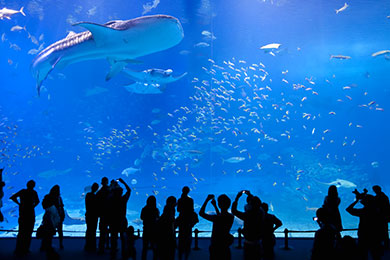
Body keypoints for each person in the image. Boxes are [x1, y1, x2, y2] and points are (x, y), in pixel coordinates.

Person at [346, 189, 382, 260]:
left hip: (363, 235)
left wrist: (356, 201)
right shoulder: (376, 210)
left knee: (363, 254)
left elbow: (348, 209)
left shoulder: (363, 212)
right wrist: (364, 194)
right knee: (375, 254)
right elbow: (370, 200)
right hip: (375, 235)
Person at [199, 194, 234, 260]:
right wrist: (215, 206)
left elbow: (201, 213)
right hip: (225, 244)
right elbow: (221, 216)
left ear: (220, 204)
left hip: (216, 244)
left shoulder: (217, 218)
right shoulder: (231, 216)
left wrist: (207, 200)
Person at [10, 179, 40, 256]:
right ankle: (26, 249)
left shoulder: (23, 191)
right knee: (29, 232)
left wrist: (19, 203)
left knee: (21, 231)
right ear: (33, 186)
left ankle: (18, 248)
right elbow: (37, 201)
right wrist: (33, 206)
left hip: (23, 213)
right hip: (30, 213)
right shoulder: (34, 192)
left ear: (27, 185)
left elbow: (13, 197)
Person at [232, 190, 264, 260]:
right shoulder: (261, 212)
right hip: (258, 242)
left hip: (248, 242)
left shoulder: (247, 215)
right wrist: (250, 195)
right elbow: (256, 204)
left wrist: (237, 198)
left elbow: (234, 211)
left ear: (250, 206)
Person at [108, 178, 131, 258]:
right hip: (122, 220)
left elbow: (109, 192)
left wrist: (113, 185)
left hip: (113, 221)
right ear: (121, 192)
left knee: (113, 238)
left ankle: (113, 253)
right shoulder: (123, 199)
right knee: (123, 238)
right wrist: (123, 182)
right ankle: (124, 253)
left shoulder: (111, 199)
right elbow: (129, 190)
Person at [39, 186, 61, 259]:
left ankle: (44, 246)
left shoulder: (47, 197)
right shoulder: (55, 198)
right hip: (52, 217)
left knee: (47, 232)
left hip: (48, 216)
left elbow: (43, 206)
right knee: (49, 232)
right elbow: (57, 208)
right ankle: (47, 246)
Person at [176, 186, 196, 260]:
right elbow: (191, 210)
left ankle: (180, 256)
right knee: (188, 237)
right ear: (188, 191)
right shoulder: (190, 200)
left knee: (181, 237)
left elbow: (178, 210)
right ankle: (186, 257)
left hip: (182, 220)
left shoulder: (180, 200)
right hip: (188, 221)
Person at [156, 196, 177, 260]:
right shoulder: (168, 214)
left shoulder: (164, 216)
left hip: (165, 239)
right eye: (174, 203)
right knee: (168, 255)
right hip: (167, 238)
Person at [141, 195, 160, 260]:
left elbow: (142, 217)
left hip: (146, 229)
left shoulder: (144, 209)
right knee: (154, 247)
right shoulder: (156, 209)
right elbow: (158, 218)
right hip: (154, 230)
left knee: (145, 247)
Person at [96, 176, 110, 253]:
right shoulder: (109, 190)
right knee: (108, 230)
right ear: (107, 182)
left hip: (102, 213)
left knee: (102, 231)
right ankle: (107, 245)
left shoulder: (99, 191)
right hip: (109, 213)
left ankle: (101, 247)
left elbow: (97, 201)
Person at [84, 182, 99, 252]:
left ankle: (87, 245)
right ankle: (92, 245)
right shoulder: (95, 197)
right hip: (94, 215)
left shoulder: (88, 195)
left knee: (89, 230)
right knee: (93, 231)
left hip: (88, 215)